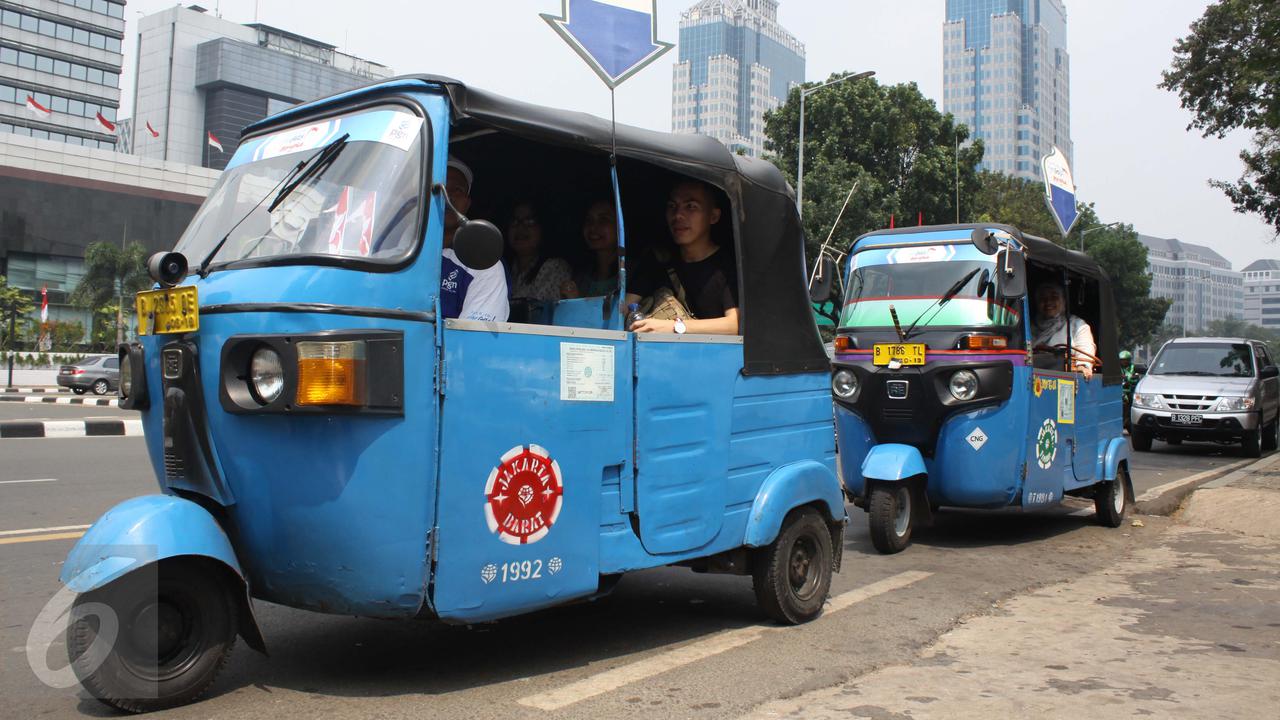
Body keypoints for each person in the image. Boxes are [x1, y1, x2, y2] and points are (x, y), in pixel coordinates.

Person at [625, 180, 739, 335]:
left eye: (691, 206)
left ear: (713, 216)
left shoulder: (730, 265)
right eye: (672, 206)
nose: (678, 215)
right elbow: (624, 308)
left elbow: (734, 325)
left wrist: (674, 327)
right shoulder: (659, 259)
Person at [440, 157, 509, 322]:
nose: (448, 197)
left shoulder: (483, 265)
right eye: (440, 188)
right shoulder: (394, 255)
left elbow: (473, 342)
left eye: (457, 190)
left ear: (467, 204)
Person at [504, 201, 571, 304]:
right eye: (515, 221)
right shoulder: (503, 268)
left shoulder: (555, 268)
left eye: (529, 221)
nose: (520, 228)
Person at [1031, 281, 1096, 379]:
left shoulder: (1076, 324)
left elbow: (1085, 346)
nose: (1048, 302)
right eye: (1042, 298)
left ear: (1063, 301)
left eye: (1054, 297)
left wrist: (1082, 365)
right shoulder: (1030, 327)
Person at [561, 199, 620, 299]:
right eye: (589, 220)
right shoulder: (580, 278)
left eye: (603, 219)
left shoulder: (633, 274)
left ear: (620, 226)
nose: (593, 227)